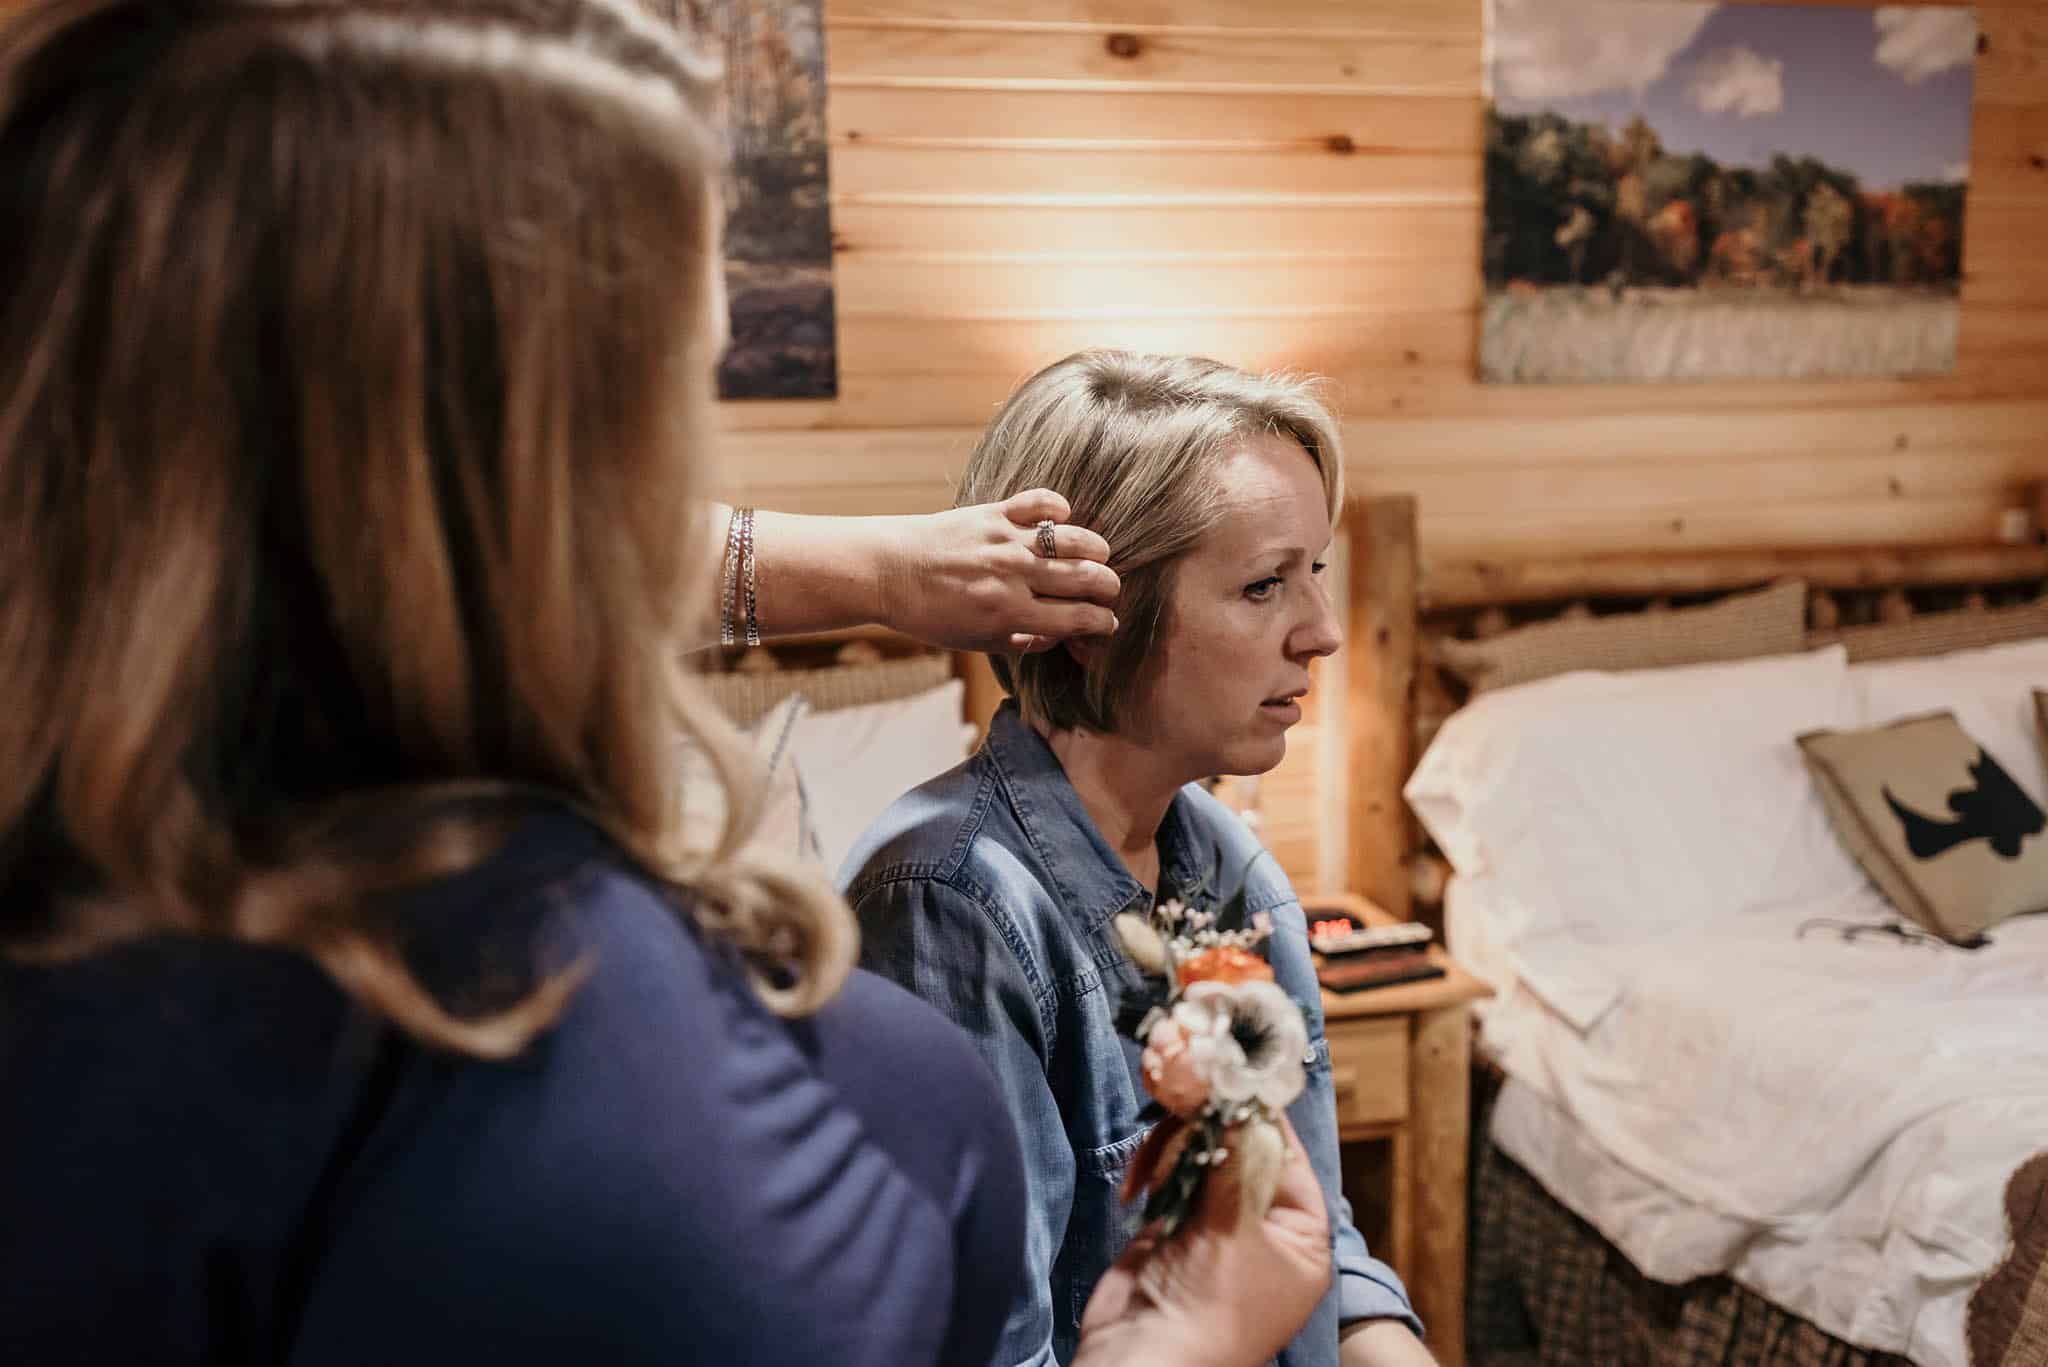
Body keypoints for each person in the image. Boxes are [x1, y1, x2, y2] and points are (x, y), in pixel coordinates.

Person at [0, 2, 1327, 1364]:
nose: (1319, 632)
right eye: (690, 393)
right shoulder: (857, 1107)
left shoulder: (79, 1003)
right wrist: (1183, 1339)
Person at [844, 350, 1441, 1367]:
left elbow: (1317, 1251)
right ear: (1085, 621)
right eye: (1263, 584)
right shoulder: (947, 909)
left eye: (1316, 570)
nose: (1324, 633)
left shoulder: (1231, 864)